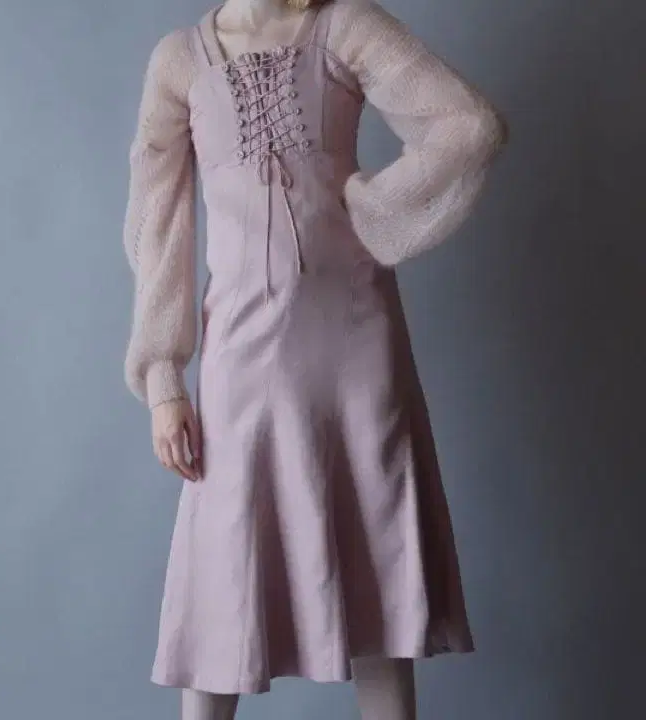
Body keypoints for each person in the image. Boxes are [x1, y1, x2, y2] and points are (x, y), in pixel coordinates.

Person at [121, 0, 508, 718]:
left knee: (379, 558)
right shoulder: (179, 60)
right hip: (240, 350)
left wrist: (376, 207)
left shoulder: (348, 24)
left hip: (357, 340)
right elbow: (158, 225)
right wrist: (164, 379)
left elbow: (469, 125)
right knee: (222, 572)